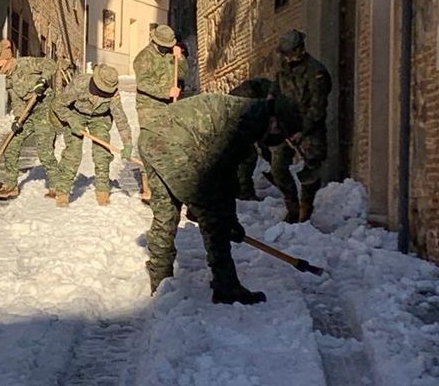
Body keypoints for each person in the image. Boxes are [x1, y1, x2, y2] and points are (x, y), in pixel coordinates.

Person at [140, 93, 303, 303]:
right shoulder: (244, 123)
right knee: (210, 213)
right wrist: (215, 214)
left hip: (152, 135)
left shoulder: (251, 115)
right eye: (279, 130)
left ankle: (162, 283)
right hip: (172, 143)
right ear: (274, 119)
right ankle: (225, 286)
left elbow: (225, 177)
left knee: (167, 212)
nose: (276, 135)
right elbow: (217, 175)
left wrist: (230, 220)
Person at [269, 30, 332, 223]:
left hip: (309, 127)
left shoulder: (316, 73)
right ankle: (292, 206)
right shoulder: (284, 68)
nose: (287, 58)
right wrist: (272, 113)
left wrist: (302, 131)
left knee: (310, 170)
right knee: (278, 167)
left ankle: (306, 209)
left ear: (299, 50)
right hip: (286, 125)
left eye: (289, 53)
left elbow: (317, 107)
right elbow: (275, 90)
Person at [52, 64, 133, 207]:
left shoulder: (113, 94)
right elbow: (58, 104)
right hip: (75, 114)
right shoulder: (80, 83)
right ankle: (62, 192)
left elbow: (121, 118)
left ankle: (102, 190)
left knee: (102, 153)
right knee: (73, 153)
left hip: (100, 118)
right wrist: (71, 120)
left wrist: (127, 144)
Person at [0, 39, 60, 200]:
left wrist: (43, 80)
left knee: (44, 150)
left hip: (44, 109)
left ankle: (57, 186)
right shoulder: (9, 80)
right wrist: (18, 119)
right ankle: (10, 185)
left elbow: (51, 65)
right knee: (12, 144)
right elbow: (17, 101)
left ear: (4, 58)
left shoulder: (26, 63)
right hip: (28, 113)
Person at [133, 24, 188, 202]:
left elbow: (182, 74)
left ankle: (166, 185)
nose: (167, 47)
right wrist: (166, 91)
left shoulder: (171, 54)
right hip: (148, 107)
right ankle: (148, 187)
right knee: (151, 144)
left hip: (167, 107)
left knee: (168, 144)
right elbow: (143, 83)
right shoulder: (144, 57)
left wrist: (180, 59)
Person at [228, 77, 274, 200]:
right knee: (248, 156)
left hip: (237, 117)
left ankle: (237, 189)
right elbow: (258, 129)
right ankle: (244, 193)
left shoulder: (267, 93)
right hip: (235, 120)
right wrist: (266, 152)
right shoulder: (252, 100)